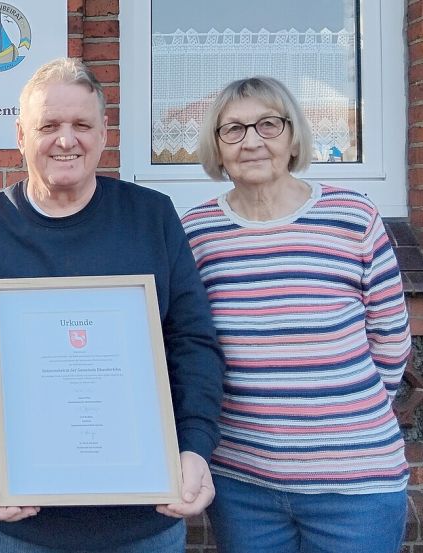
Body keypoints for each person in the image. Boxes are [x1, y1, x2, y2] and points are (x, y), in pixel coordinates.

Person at [0, 57, 226, 552]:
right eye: (48, 126)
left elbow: (192, 342)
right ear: (20, 135)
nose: (66, 140)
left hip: (145, 518)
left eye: (81, 124)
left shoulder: (151, 217)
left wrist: (195, 446)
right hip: (25, 519)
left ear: (104, 133)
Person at [181, 76, 411, 553]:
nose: (252, 141)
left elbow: (390, 339)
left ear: (291, 136)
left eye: (268, 124)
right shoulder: (197, 231)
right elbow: (189, 344)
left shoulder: (353, 217)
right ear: (216, 147)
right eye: (233, 130)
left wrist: (341, 420)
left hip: (356, 485)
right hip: (242, 484)